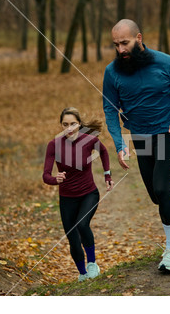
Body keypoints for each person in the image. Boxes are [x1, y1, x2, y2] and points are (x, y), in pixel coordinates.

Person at [102, 19, 170, 272]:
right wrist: (120, 143)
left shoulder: (166, 63)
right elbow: (110, 111)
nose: (120, 50)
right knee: (156, 195)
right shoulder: (112, 73)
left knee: (161, 190)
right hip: (140, 138)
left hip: (166, 132)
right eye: (116, 44)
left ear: (139, 38)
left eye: (125, 43)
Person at [43, 107, 114, 282]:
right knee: (73, 240)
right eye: (65, 124)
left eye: (73, 124)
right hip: (67, 199)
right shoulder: (54, 145)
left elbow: (104, 152)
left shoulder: (89, 140)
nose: (69, 128)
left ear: (79, 124)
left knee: (82, 226)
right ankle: (82, 274)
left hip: (88, 194)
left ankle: (92, 265)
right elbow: (46, 175)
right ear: (61, 125)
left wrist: (107, 175)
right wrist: (55, 179)